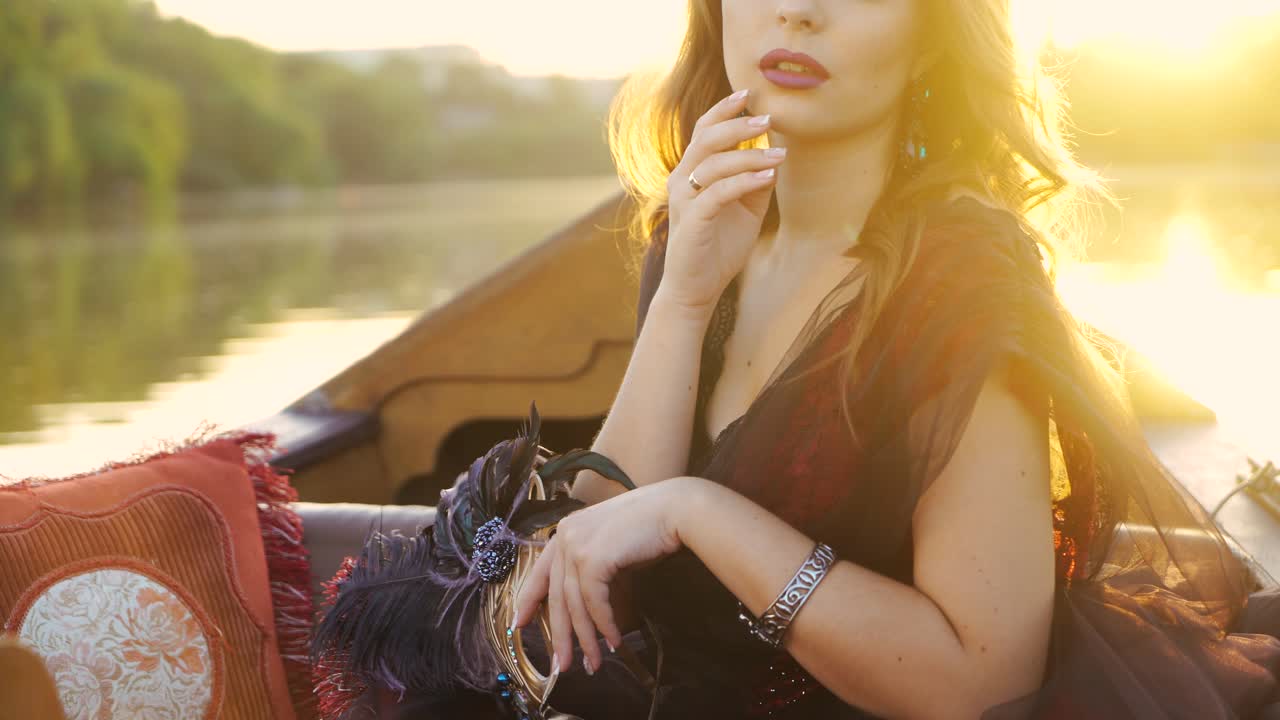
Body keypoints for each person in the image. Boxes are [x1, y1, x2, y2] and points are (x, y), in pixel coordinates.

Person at [502, 0, 1280, 718]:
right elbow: (593, 561)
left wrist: (696, 512)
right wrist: (683, 302)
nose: (799, 11)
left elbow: (983, 681)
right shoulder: (701, 238)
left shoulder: (958, 285)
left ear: (929, 44)